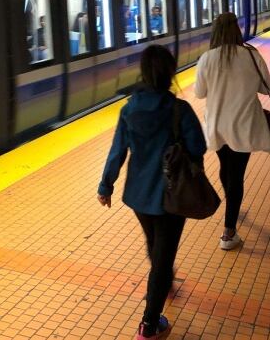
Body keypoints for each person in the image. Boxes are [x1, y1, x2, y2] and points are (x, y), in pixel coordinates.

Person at [97, 45, 206, 340]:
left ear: (143, 74)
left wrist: (105, 186)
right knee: (162, 259)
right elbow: (198, 147)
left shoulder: (128, 110)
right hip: (173, 197)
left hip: (139, 197)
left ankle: (164, 282)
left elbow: (117, 151)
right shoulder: (178, 110)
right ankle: (148, 325)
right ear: (171, 74)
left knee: (155, 244)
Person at [194, 12, 270, 251]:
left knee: (225, 169)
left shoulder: (207, 58)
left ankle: (232, 207)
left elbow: (200, 93)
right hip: (244, 125)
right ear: (237, 30)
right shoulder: (251, 55)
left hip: (217, 125)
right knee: (236, 175)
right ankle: (228, 233)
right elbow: (267, 88)